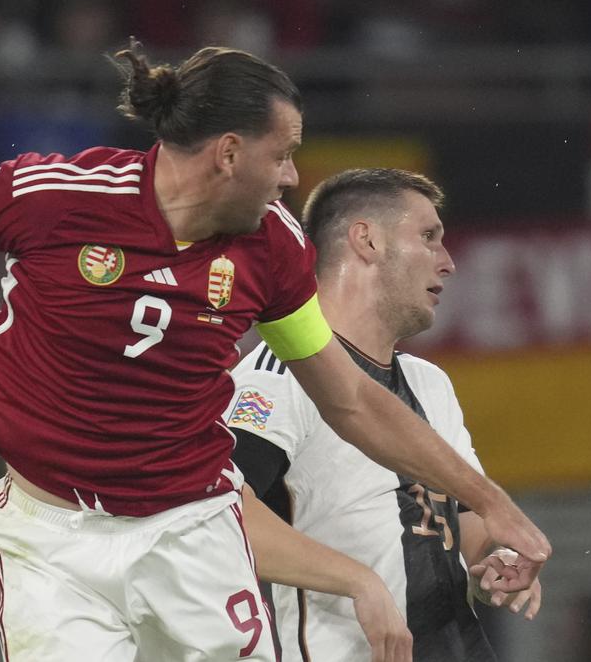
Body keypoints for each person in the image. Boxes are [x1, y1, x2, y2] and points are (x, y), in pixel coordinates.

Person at [0, 42, 549, 661]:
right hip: (51, 533)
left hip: (189, 528)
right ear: (227, 153)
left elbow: (349, 400)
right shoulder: (56, 194)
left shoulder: (272, 252)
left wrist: (491, 503)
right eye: (283, 157)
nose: (292, 177)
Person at [227, 168, 542, 661]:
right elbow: (220, 516)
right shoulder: (279, 374)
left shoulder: (429, 383)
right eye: (428, 237)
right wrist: (358, 582)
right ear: (366, 240)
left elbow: (463, 521)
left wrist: (493, 563)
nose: (449, 263)